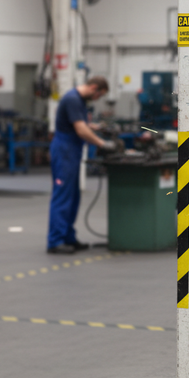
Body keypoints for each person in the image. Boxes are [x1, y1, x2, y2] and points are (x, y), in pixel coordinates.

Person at [46, 76, 116, 254]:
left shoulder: (78, 101)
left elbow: (81, 123)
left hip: (71, 151)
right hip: (64, 150)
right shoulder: (72, 99)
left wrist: (96, 126)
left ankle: (68, 237)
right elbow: (80, 129)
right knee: (62, 195)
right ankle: (55, 241)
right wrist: (102, 143)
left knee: (73, 196)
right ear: (94, 88)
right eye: (98, 95)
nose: (97, 99)